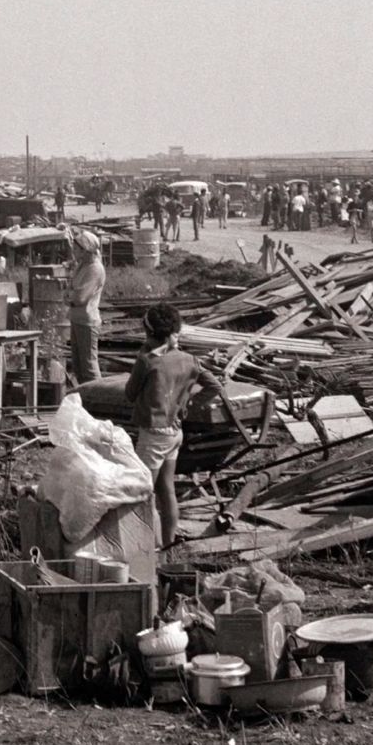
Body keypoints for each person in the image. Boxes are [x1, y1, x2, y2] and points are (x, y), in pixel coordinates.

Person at [124, 303, 226, 548]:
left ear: (148, 334)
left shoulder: (147, 361)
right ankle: (167, 544)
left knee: (142, 493)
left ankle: (148, 546)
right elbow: (215, 386)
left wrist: (142, 356)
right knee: (166, 490)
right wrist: (188, 403)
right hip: (174, 432)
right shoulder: (189, 360)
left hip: (153, 434)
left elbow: (129, 394)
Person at [66, 229, 106, 385]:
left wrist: (70, 297)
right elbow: (70, 291)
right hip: (77, 319)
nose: (74, 251)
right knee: (78, 367)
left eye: (76, 249)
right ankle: (85, 400)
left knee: (89, 366)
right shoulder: (82, 266)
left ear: (85, 249)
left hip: (87, 322)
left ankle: (100, 397)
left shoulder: (95, 269)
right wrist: (70, 296)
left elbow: (80, 298)